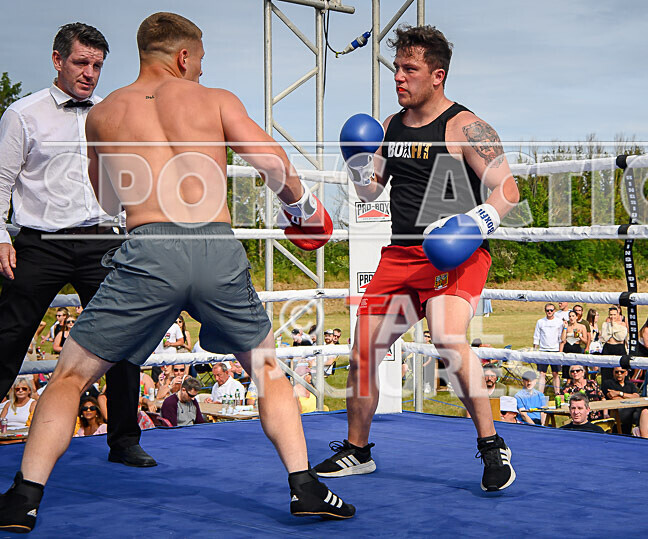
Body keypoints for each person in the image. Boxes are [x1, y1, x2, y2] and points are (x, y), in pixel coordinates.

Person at [0, 13, 354, 529]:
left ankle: (24, 499)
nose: (201, 68)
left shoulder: (104, 114)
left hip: (148, 250)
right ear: (184, 57)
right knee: (268, 371)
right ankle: (304, 487)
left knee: (70, 376)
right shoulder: (215, 100)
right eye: (201, 59)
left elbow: (105, 199)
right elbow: (273, 162)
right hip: (215, 246)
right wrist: (302, 210)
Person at [313, 24, 519, 493]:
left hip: (454, 255)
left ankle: (492, 446)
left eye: (410, 69)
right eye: (396, 68)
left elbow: (507, 189)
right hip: (401, 255)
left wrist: (475, 225)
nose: (399, 78)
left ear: (437, 75)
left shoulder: (467, 127)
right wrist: (356, 159)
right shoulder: (389, 126)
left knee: (447, 338)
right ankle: (358, 451)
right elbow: (371, 189)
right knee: (364, 349)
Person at [0, 22, 154, 470]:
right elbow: (2, 180)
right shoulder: (22, 114)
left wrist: (134, 232)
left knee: (124, 338)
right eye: (81, 62)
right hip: (38, 242)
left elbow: (130, 178)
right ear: (57, 60)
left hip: (102, 240)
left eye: (98, 65)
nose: (90, 73)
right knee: (9, 335)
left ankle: (124, 439)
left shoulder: (113, 112)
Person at [533, 303, 564, 393]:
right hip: (543, 350)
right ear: (545, 311)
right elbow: (536, 336)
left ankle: (557, 393)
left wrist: (560, 351)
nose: (549, 312)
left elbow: (561, 337)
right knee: (542, 374)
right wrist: (535, 350)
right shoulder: (540, 322)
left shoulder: (559, 322)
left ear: (554, 311)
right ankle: (540, 394)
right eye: (547, 310)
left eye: (551, 310)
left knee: (555, 373)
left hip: (555, 350)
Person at [600, 367, 638, 434]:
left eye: (622, 372)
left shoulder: (630, 384)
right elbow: (614, 398)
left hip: (630, 411)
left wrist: (619, 393)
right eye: (616, 372)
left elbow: (637, 397)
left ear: (626, 373)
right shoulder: (608, 383)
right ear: (613, 373)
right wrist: (629, 397)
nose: (619, 374)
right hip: (616, 411)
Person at [599, 306, 627, 380]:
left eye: (614, 314)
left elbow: (620, 337)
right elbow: (604, 337)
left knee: (619, 369)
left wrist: (613, 325)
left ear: (618, 314)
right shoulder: (605, 324)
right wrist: (613, 330)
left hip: (619, 348)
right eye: (611, 315)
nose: (612, 316)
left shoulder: (622, 324)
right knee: (606, 371)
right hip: (608, 348)